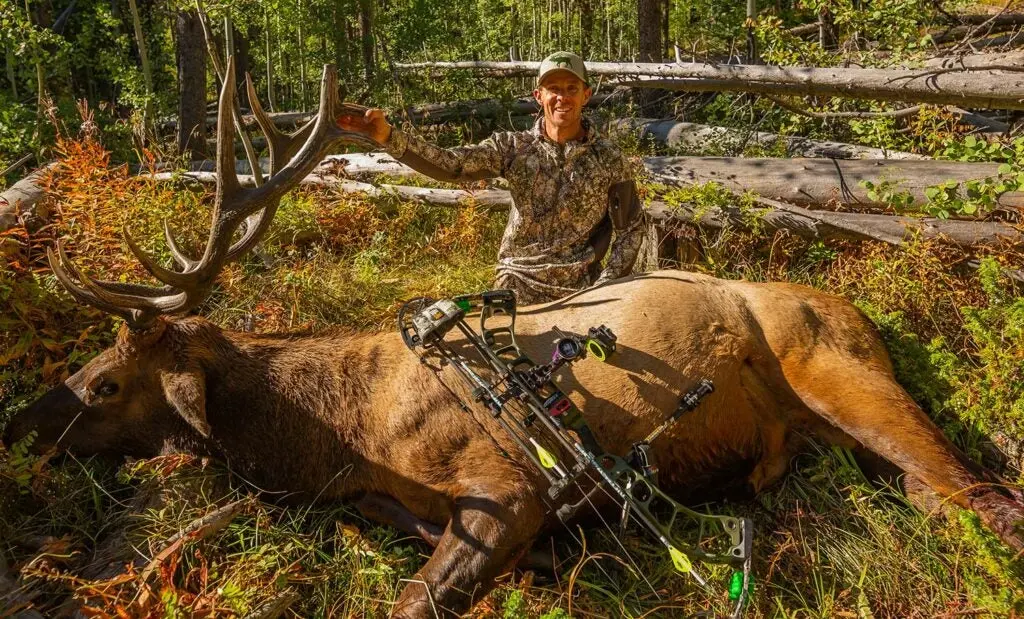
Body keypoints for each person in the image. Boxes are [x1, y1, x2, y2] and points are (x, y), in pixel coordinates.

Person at [339, 51, 646, 304]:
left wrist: (607, 286)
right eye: (554, 89)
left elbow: (631, 228)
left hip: (582, 291)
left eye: (571, 88)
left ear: (586, 95)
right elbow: (452, 165)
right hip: (517, 284)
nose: (562, 98)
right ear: (539, 96)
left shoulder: (608, 158)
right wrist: (387, 136)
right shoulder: (512, 148)